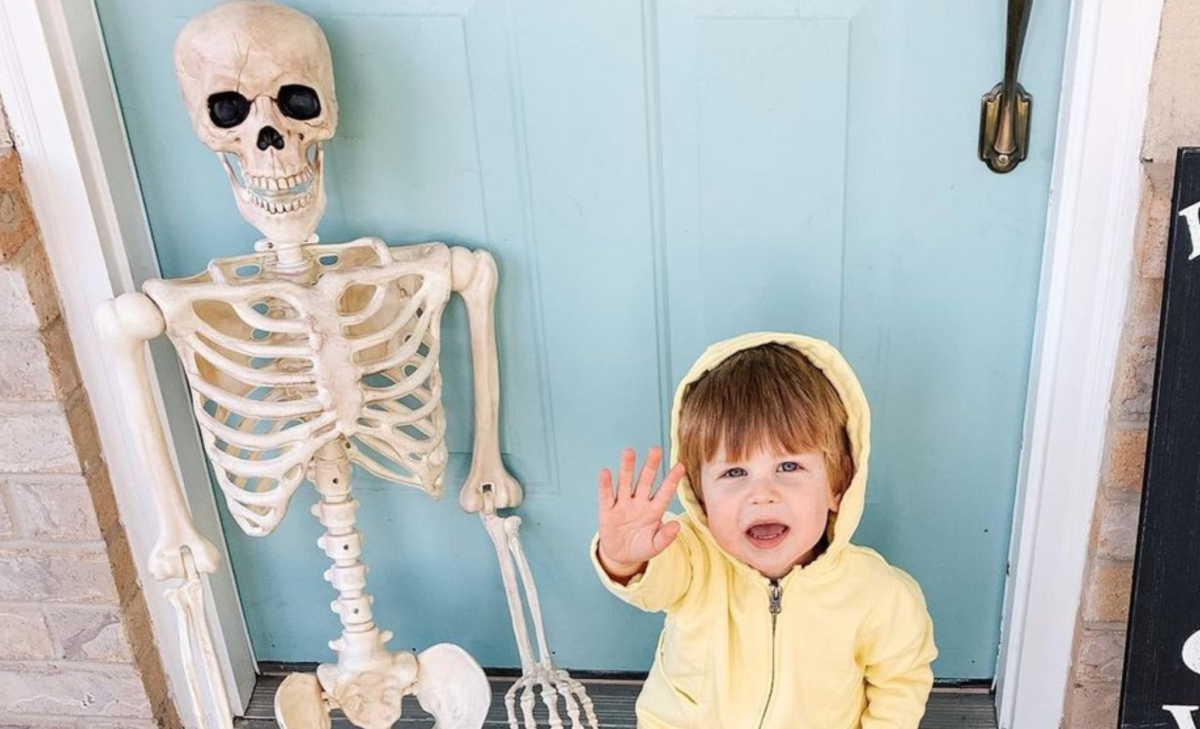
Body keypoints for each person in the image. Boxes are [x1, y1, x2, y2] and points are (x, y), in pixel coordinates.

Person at [593, 332, 937, 728]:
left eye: (788, 467)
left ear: (838, 486)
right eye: (734, 472)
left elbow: (900, 679)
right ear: (701, 496)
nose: (761, 494)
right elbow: (653, 581)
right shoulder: (689, 555)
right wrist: (623, 558)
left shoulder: (877, 593)